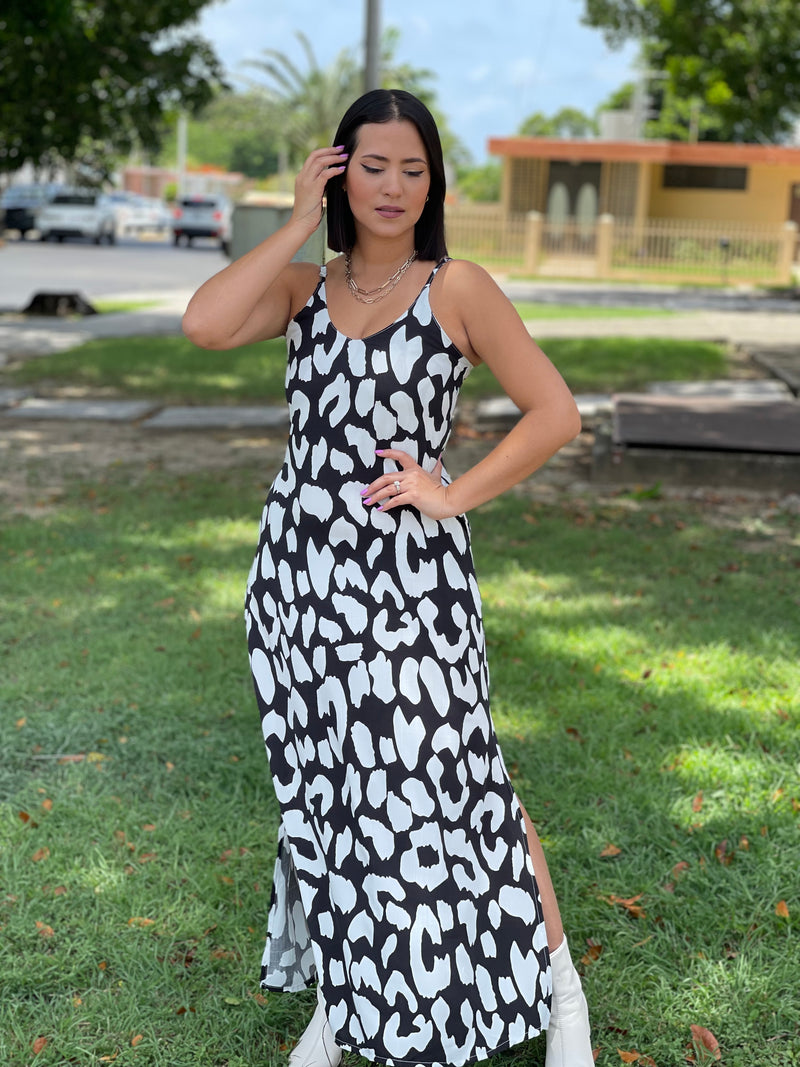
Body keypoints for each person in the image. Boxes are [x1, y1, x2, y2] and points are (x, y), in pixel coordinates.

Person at [182, 88, 592, 1067]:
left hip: (407, 578)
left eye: (413, 169)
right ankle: (344, 1000)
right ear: (338, 170)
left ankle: (561, 996)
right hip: (299, 576)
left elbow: (553, 413)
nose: (394, 186)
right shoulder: (305, 287)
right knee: (334, 789)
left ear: (433, 181)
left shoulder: (456, 286)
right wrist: (290, 219)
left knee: (464, 781)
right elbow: (203, 324)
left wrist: (451, 496)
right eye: (372, 165)